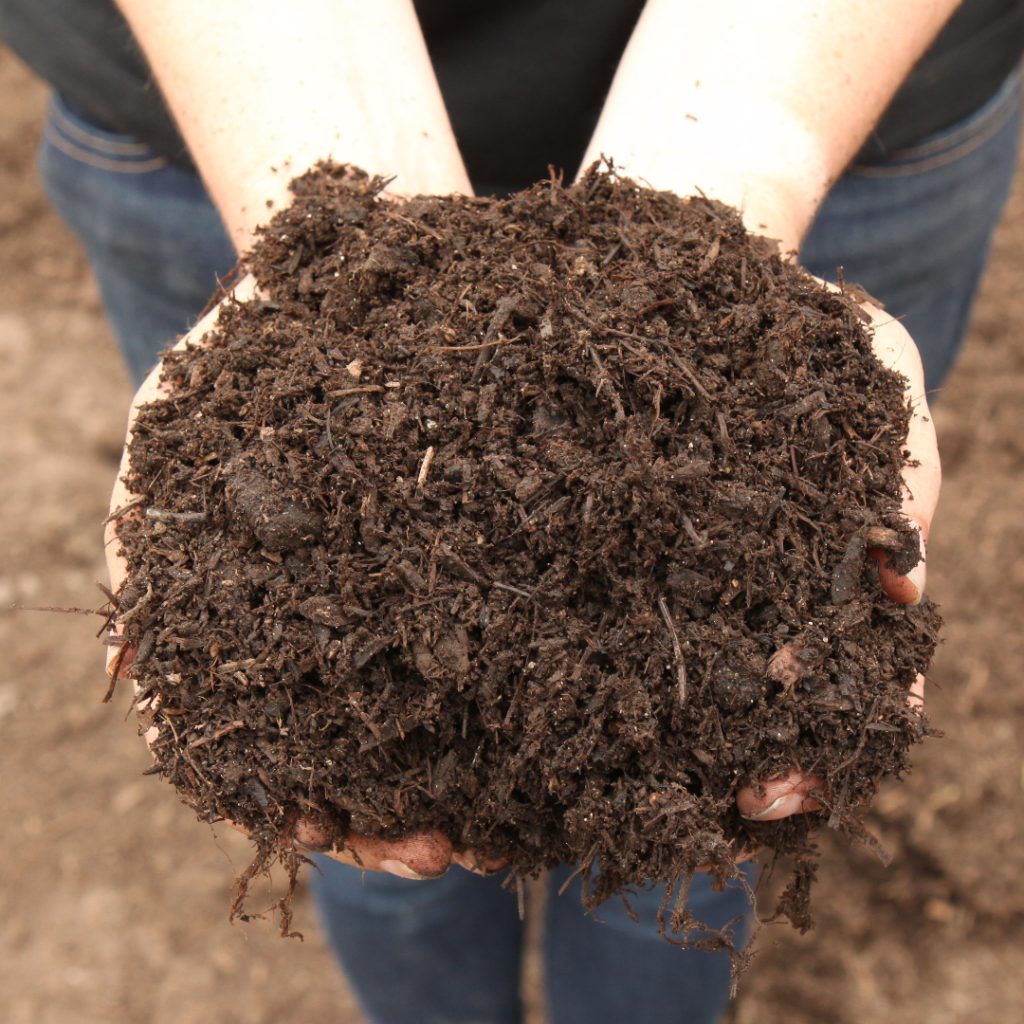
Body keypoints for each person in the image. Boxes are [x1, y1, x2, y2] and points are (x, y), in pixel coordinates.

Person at [1, 2, 1019, 1021]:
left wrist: (750, 139)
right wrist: (324, 231)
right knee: (359, 802)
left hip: (847, 82)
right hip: (226, 90)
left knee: (703, 807)